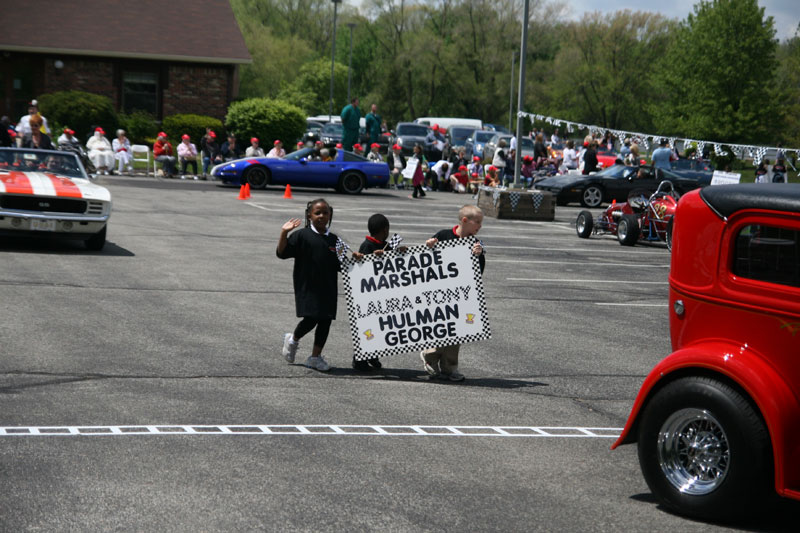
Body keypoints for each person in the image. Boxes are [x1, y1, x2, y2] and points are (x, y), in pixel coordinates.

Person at [277, 198, 351, 372]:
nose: (322, 216)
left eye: (325, 213)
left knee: (325, 321)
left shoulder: (334, 240)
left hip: (328, 288)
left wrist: (360, 259)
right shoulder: (302, 235)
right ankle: (293, 339)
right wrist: (283, 233)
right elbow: (282, 253)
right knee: (311, 318)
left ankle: (315, 357)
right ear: (309, 215)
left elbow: (344, 265)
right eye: (317, 213)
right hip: (308, 286)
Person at [421, 205, 485, 381]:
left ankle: (450, 367)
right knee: (440, 327)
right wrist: (429, 245)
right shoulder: (443, 236)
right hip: (440, 292)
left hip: (461, 295)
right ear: (465, 221)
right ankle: (430, 358)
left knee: (456, 331)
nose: (480, 226)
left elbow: (479, 271)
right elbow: (424, 261)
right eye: (477, 222)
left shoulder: (475, 243)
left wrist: (477, 256)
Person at [354, 213, 404, 370]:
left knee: (378, 329)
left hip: (381, 294)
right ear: (385, 229)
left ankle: (372, 355)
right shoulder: (367, 246)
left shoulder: (385, 245)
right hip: (369, 297)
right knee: (367, 329)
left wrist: (401, 251)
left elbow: (393, 258)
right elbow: (361, 267)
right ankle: (359, 360)